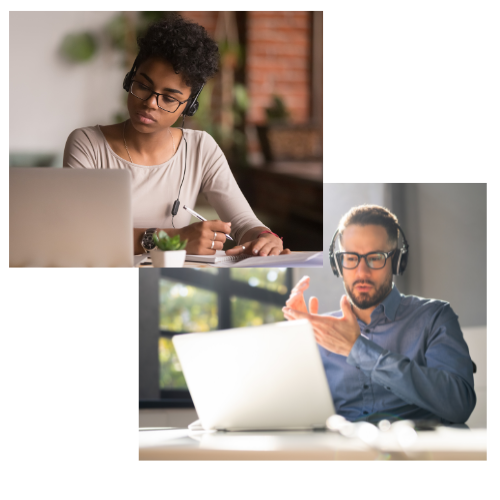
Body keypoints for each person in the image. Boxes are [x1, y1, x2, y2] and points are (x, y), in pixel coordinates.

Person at [63, 14, 290, 257]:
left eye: (169, 98)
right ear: (130, 79)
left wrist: (265, 239)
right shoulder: (87, 144)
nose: (150, 103)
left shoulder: (201, 148)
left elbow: (244, 222)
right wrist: (172, 238)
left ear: (189, 106)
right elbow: (79, 233)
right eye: (142, 86)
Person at [283, 204, 476, 425]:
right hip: (339, 454)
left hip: (413, 452)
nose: (361, 272)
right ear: (339, 264)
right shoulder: (321, 331)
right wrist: (296, 344)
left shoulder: (434, 317)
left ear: (396, 261)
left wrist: (357, 348)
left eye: (375, 258)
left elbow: (459, 405)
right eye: (351, 258)